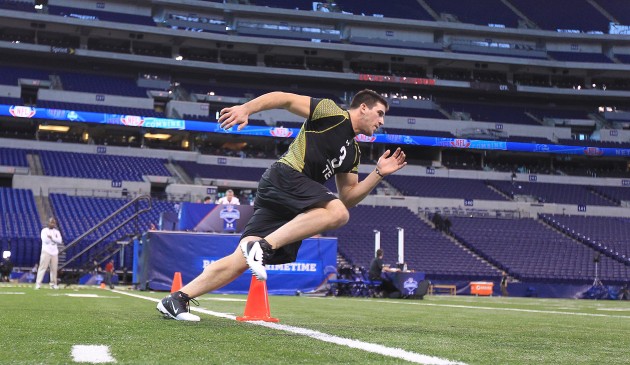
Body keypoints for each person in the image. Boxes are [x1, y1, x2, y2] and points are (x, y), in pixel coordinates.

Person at [157, 89, 407, 321]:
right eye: (380, 113)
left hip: (291, 199)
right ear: (363, 108)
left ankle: (177, 299)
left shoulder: (353, 152)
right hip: (286, 178)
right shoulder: (332, 112)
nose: (382, 121)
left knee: (241, 258)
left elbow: (349, 196)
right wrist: (246, 109)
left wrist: (378, 174)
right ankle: (263, 247)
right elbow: (284, 98)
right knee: (336, 213)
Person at [36, 217, 63, 290]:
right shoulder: (44, 231)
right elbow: (45, 240)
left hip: (54, 252)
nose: (52, 224)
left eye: (54, 223)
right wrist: (54, 239)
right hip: (46, 251)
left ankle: (53, 284)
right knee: (42, 267)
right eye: (51, 222)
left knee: (54, 269)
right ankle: (38, 283)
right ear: (48, 223)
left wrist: (52, 238)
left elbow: (60, 241)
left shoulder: (57, 232)